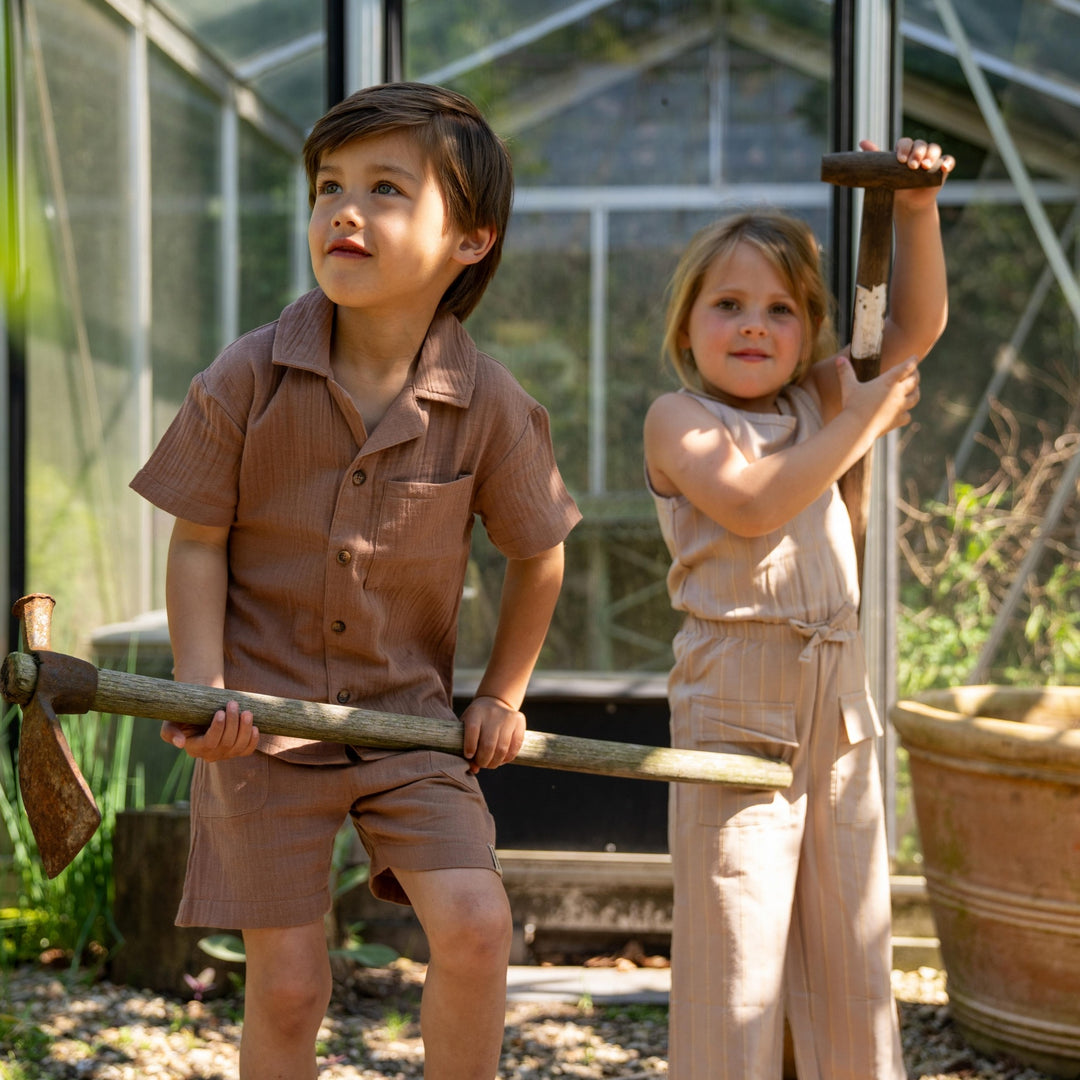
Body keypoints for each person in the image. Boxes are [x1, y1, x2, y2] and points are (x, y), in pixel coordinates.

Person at [131, 82, 580, 1080]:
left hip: (405, 727)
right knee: (289, 990)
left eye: (386, 189)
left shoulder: (492, 404)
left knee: (473, 925)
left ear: (470, 239)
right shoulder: (245, 377)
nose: (343, 209)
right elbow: (198, 541)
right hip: (257, 729)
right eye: (329, 186)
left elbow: (539, 553)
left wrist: (502, 694)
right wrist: (205, 689)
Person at [643, 137, 954, 1080]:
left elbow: (914, 331)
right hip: (734, 709)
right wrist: (862, 420)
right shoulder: (683, 420)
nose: (753, 325)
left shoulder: (820, 397)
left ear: (811, 329)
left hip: (837, 703)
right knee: (736, 949)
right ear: (688, 326)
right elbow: (752, 501)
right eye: (728, 305)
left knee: (848, 946)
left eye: (781, 310)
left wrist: (916, 206)